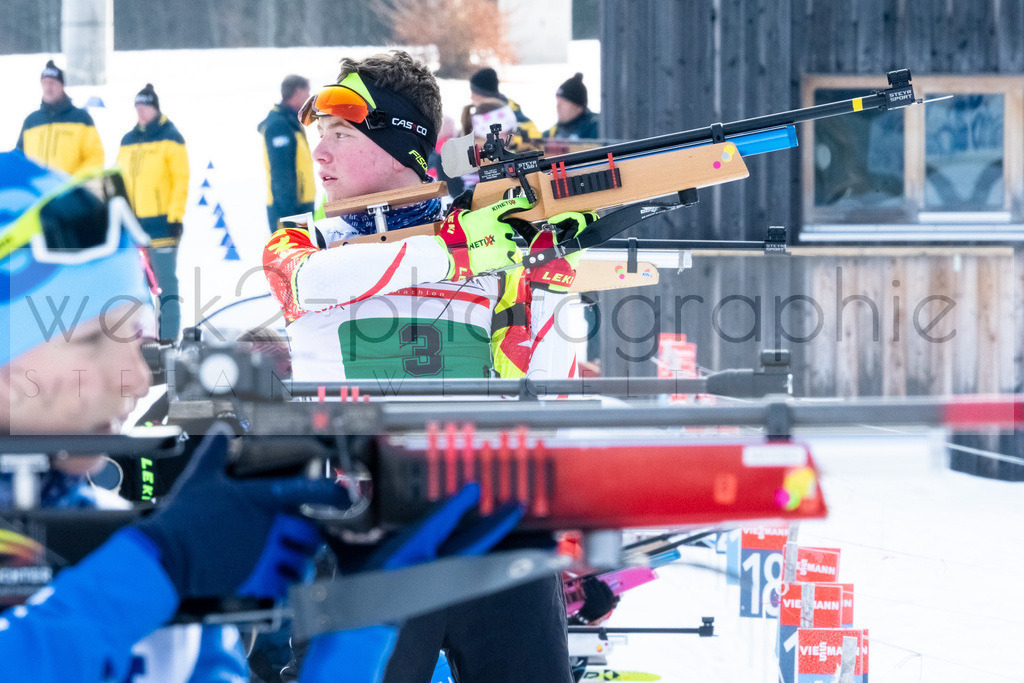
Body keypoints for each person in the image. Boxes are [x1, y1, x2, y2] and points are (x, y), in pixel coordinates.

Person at [262, 50, 590, 681]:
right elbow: (308, 283)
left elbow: (547, 392)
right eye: (318, 135)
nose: (319, 153)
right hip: (364, 526)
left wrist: (552, 272)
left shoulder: (486, 238)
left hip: (492, 518)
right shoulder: (303, 242)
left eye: (340, 134)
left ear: (402, 144)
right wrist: (458, 251)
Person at [116, 83, 190, 342]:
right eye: (137, 107)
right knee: (137, 287)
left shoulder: (171, 137)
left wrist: (175, 217)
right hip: (134, 227)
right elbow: (118, 180)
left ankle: (168, 340)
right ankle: (144, 339)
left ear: (155, 108)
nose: (141, 111)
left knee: (165, 285)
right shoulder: (128, 140)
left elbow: (180, 180)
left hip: (163, 226)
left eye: (145, 107)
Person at [15, 60, 105, 175]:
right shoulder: (31, 121)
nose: (48, 88)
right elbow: (18, 159)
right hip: (37, 186)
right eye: (45, 83)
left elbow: (95, 157)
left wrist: (75, 181)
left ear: (62, 85)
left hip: (69, 185)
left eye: (52, 83)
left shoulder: (81, 118)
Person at [259, 75, 316, 231]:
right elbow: (280, 171)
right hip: (289, 210)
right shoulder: (279, 125)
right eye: (307, 92)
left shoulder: (292, 122)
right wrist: (288, 215)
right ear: (297, 92)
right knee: (290, 247)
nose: (309, 97)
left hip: (301, 207)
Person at [468, 67, 541, 140]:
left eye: (474, 92)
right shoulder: (479, 114)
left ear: (484, 94)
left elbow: (534, 136)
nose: (471, 97)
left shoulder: (508, 111)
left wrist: (516, 139)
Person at [543, 73, 600, 141]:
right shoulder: (553, 132)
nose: (558, 106)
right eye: (557, 102)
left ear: (578, 106)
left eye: (563, 103)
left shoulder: (597, 128)